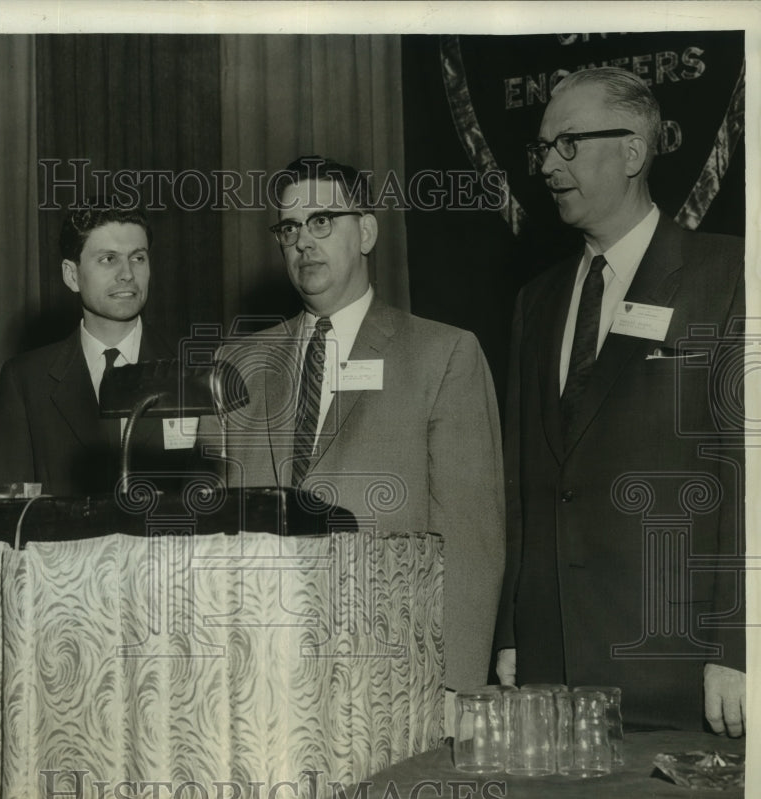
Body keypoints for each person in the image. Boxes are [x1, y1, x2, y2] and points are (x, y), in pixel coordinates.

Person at [496, 67, 746, 734]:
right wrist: (514, 632)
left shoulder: (730, 276)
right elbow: (522, 486)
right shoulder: (535, 301)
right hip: (552, 675)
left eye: (567, 145)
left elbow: (745, 477)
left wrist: (739, 648)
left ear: (634, 151)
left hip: (681, 673)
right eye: (542, 149)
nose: (547, 166)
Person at [208, 156, 505, 700]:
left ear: (366, 231)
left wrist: (456, 689)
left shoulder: (444, 355)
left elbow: (471, 543)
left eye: (323, 221)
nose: (303, 240)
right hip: (258, 677)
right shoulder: (238, 364)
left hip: (392, 677)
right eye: (289, 227)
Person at [0, 207, 196, 496]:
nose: (127, 274)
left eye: (138, 258)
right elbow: (6, 514)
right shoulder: (24, 381)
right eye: (108, 259)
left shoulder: (193, 366)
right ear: (71, 275)